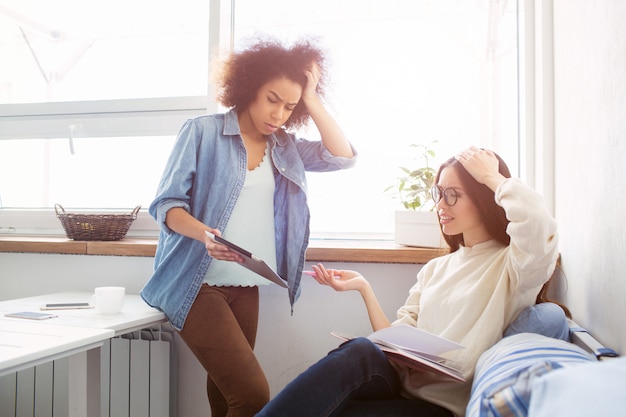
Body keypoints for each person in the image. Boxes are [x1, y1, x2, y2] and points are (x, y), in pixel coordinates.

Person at [140, 36, 356, 417]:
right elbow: (167, 206)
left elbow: (341, 157)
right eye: (272, 99)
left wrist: (312, 99)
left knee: (227, 397)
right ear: (248, 88)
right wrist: (204, 233)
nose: (279, 114)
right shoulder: (203, 132)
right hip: (196, 282)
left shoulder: (285, 147)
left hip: (245, 285)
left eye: (290, 107)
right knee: (253, 395)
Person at [255, 147, 560, 417]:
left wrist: (494, 178)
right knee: (361, 350)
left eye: (453, 194)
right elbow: (397, 338)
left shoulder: (513, 265)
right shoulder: (435, 269)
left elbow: (538, 224)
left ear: (485, 197)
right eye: (439, 193)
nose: (441, 205)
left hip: (438, 408)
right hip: (399, 385)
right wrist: (364, 287)